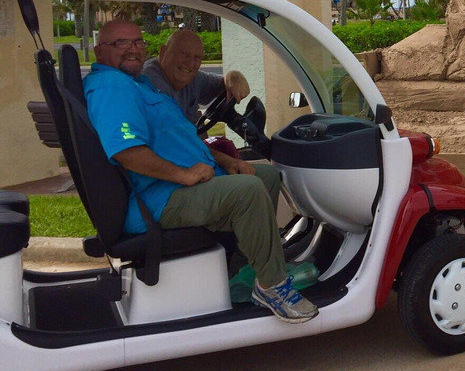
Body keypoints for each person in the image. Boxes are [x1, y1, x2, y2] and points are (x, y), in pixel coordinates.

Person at [84, 20, 316, 324]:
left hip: (180, 184)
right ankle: (272, 284)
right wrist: (183, 175)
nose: (134, 49)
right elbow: (127, 152)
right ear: (100, 50)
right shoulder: (112, 87)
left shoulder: (137, 82)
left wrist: (225, 161)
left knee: (265, 177)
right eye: (121, 43)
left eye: (138, 42)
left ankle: (243, 272)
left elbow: (178, 136)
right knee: (248, 191)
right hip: (159, 197)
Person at [142, 29, 248, 164]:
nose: (190, 63)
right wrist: (227, 162)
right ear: (163, 52)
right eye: (183, 54)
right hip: (169, 168)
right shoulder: (151, 81)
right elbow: (176, 140)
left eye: (196, 58)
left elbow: (224, 83)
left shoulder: (190, 78)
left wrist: (234, 76)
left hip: (189, 161)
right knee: (260, 179)